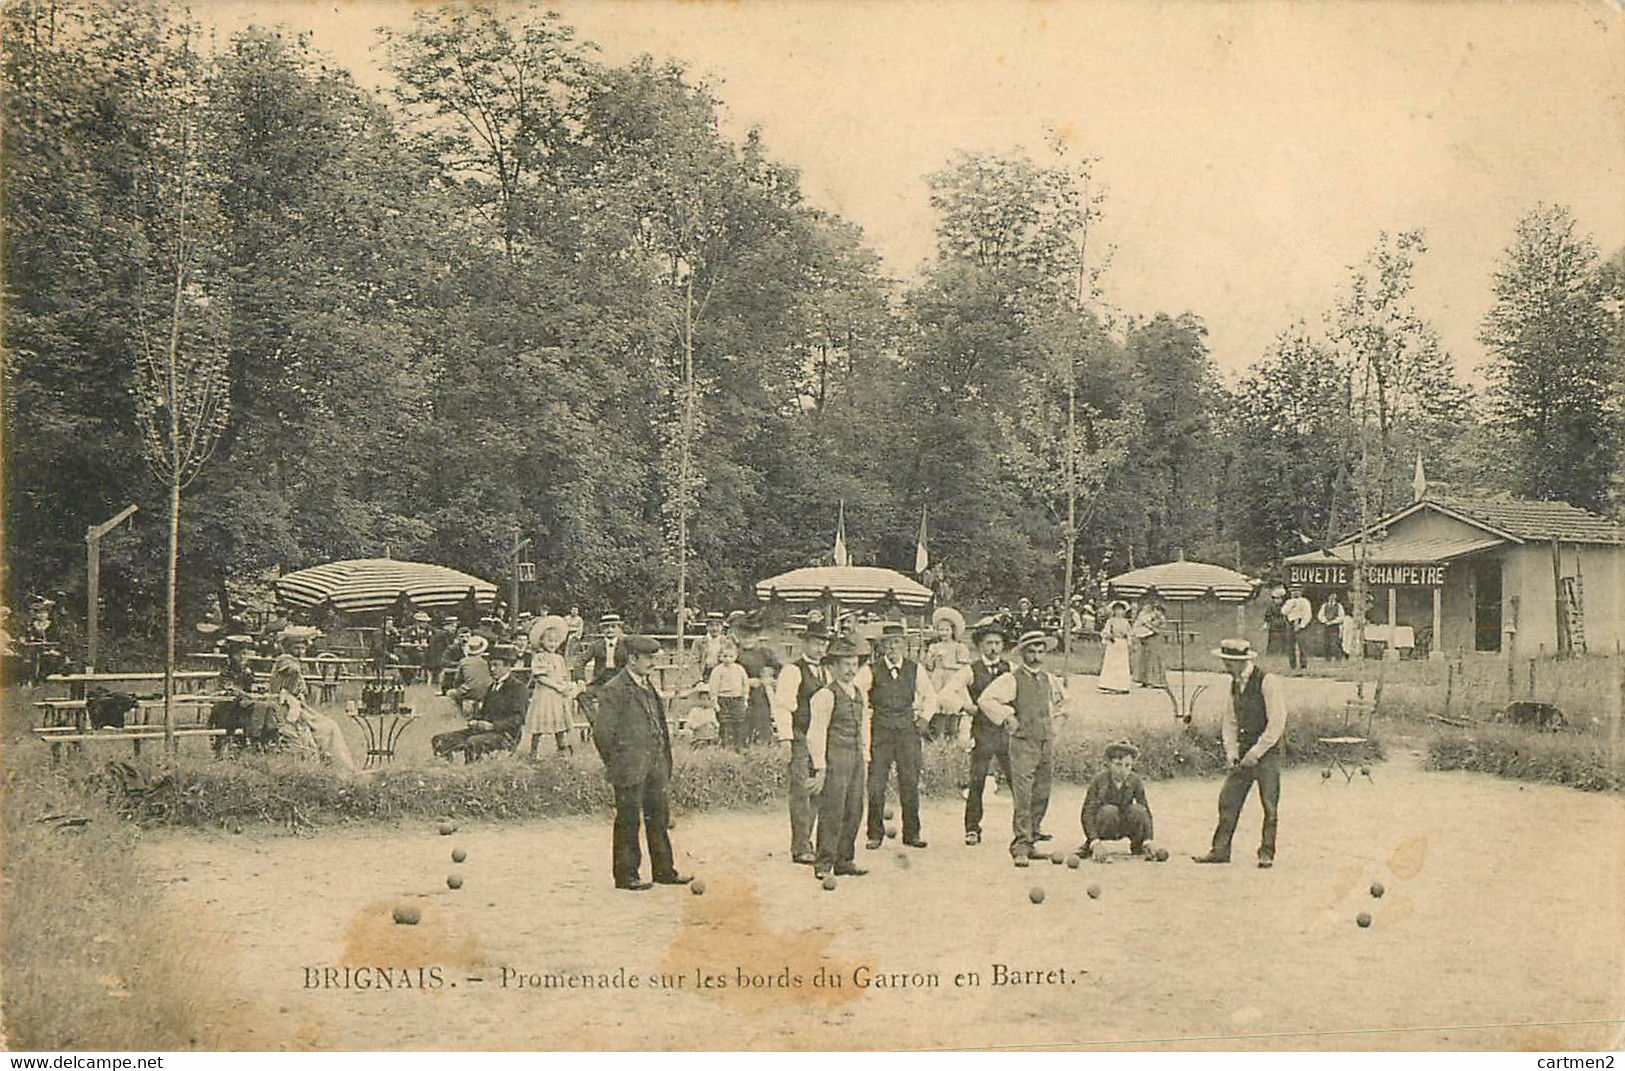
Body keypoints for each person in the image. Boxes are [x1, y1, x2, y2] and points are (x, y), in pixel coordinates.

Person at [590, 635, 690, 891]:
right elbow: (603, 733)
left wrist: (664, 761)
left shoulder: (648, 685)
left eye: (655, 658)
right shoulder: (614, 689)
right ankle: (626, 875)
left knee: (658, 818)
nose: (654, 663)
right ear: (632, 659)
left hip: (655, 766)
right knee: (629, 820)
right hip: (629, 767)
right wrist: (617, 763)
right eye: (649, 658)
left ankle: (664, 871)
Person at [1194, 639, 1288, 868]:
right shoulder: (1233, 683)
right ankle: (1220, 850)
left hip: (1267, 751)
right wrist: (1232, 752)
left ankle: (1266, 852)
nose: (1225, 665)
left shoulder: (1267, 682)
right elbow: (1231, 720)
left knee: (1269, 804)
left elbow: (1277, 722)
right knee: (1228, 799)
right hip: (1244, 749)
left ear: (1240, 661)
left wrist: (1256, 753)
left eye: (1228, 661)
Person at [977, 629, 1067, 867]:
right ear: (1023, 654)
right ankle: (1020, 845)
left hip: (1045, 742)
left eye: (1040, 651)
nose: (1036, 656)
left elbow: (1065, 703)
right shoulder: (1011, 679)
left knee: (1042, 792)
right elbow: (986, 699)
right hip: (1023, 743)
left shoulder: (1050, 679)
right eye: (1031, 652)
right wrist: (1008, 716)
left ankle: (1032, 839)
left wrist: (1056, 724)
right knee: (1024, 795)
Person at [859, 623, 937, 851]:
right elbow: (855, 693)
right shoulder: (870, 670)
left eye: (897, 642)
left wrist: (924, 719)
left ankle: (912, 833)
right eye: (888, 643)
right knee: (876, 784)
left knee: (910, 782)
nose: (892, 647)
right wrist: (865, 717)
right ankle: (874, 834)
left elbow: (931, 696)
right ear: (881, 646)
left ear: (904, 645)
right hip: (880, 732)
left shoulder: (915, 669)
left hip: (906, 732)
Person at [805, 636, 871, 880]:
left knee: (854, 808)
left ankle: (845, 859)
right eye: (845, 664)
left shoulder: (859, 693)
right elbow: (816, 733)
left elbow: (865, 727)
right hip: (835, 758)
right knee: (833, 809)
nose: (850, 669)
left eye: (854, 664)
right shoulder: (825, 695)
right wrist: (820, 767)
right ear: (832, 667)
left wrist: (865, 756)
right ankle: (824, 862)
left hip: (855, 757)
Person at [771, 623, 831, 865]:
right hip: (799, 736)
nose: (820, 648)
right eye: (816, 642)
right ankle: (800, 846)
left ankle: (810, 840)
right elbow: (783, 706)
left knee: (818, 789)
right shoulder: (792, 671)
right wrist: (785, 739)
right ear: (805, 643)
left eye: (824, 643)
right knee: (800, 790)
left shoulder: (827, 672)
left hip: (821, 738)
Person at [956, 618, 1014, 846]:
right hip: (982, 732)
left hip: (1007, 732)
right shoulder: (970, 671)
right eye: (988, 643)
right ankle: (972, 828)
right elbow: (948, 693)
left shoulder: (1011, 669)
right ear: (980, 646)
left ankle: (1027, 828)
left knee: (1016, 779)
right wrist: (965, 705)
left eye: (997, 643)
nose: (993, 648)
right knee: (977, 780)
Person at [266, 629, 358, 771]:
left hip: (298, 706)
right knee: (327, 728)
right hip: (285, 706)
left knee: (330, 726)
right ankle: (338, 766)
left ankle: (342, 766)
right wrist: (294, 668)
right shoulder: (284, 660)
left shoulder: (295, 661)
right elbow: (288, 669)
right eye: (296, 648)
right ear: (289, 648)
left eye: (302, 648)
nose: (300, 651)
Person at [433, 644, 528, 761]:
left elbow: (518, 719)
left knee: (472, 742)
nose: (492, 669)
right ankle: (446, 767)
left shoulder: (517, 688)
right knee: (441, 739)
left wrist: (493, 726)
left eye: (496, 665)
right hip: (484, 731)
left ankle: (472, 770)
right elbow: (483, 712)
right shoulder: (491, 687)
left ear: (508, 667)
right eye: (490, 665)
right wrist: (475, 720)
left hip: (506, 735)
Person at [1080, 741, 1155, 860]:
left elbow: (1146, 810)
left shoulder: (1135, 780)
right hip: (1105, 822)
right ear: (1109, 764)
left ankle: (1139, 845)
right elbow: (1087, 813)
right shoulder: (1099, 780)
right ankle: (1092, 846)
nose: (1123, 770)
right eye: (1118, 765)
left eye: (1128, 766)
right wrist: (1094, 841)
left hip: (1125, 823)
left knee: (1138, 810)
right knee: (1109, 811)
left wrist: (1148, 840)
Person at [519, 616, 579, 758]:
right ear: (541, 641)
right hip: (545, 694)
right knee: (540, 722)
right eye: (549, 640)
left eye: (555, 641)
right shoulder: (539, 657)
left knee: (560, 722)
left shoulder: (559, 658)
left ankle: (561, 748)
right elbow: (540, 677)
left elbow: (564, 675)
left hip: (558, 696)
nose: (553, 644)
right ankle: (533, 752)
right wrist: (555, 686)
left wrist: (566, 685)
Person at [923, 607, 973, 739]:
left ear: (952, 631)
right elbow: (929, 667)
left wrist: (948, 665)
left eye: (946, 630)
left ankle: (952, 732)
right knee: (936, 704)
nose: (943, 633)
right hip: (937, 678)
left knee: (953, 705)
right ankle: (936, 733)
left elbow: (965, 668)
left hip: (953, 679)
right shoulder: (934, 647)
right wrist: (931, 658)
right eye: (940, 630)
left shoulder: (958, 647)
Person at [732, 614, 781, 746]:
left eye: (751, 635)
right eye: (744, 635)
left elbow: (778, 669)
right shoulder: (734, 654)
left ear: (757, 636)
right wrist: (746, 681)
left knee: (762, 718)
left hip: (761, 693)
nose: (748, 639)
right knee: (743, 720)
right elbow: (728, 673)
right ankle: (742, 744)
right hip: (741, 693)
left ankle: (763, 743)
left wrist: (770, 675)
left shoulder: (766, 652)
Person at [706, 640, 750, 750]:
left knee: (739, 722)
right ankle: (724, 745)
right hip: (723, 699)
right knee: (724, 722)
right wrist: (714, 701)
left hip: (737, 698)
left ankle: (739, 745)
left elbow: (745, 683)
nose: (728, 659)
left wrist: (745, 698)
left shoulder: (739, 669)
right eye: (725, 656)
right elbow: (713, 686)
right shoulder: (717, 670)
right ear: (720, 657)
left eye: (731, 656)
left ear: (735, 656)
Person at [447, 633, 494, 711]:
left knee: (451, 693)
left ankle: (459, 713)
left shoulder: (463, 661)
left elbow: (457, 679)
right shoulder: (486, 662)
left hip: (470, 691)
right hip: (487, 690)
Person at [1097, 601, 1133, 693]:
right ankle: (1109, 684)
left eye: (1121, 610)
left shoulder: (1126, 622)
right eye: (1117, 609)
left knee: (1121, 664)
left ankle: (1122, 685)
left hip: (1122, 644)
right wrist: (1109, 636)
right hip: (1113, 643)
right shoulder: (1111, 621)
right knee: (1111, 663)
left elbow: (1130, 633)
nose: (1119, 612)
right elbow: (1105, 631)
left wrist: (1128, 638)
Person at [1132, 600, 1168, 688]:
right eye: (1155, 609)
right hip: (1145, 639)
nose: (1156, 612)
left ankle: (1155, 681)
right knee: (1144, 658)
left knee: (1154, 659)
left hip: (1155, 640)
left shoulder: (1161, 619)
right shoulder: (1146, 616)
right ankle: (1144, 680)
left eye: (1158, 610)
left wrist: (1150, 626)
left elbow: (1159, 631)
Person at [1281, 587, 1313, 670]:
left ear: (1301, 592)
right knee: (1290, 645)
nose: (1295, 593)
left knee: (1302, 645)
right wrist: (1291, 605)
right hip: (1290, 623)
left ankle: (1303, 665)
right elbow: (1284, 612)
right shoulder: (1289, 602)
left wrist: (1302, 625)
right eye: (1293, 591)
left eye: (1297, 591)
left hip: (1300, 622)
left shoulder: (1304, 601)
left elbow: (1308, 614)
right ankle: (1292, 666)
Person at [696, 611, 729, 676]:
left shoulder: (727, 642)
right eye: (711, 625)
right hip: (705, 674)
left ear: (722, 627)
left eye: (717, 625)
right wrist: (699, 680)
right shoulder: (699, 642)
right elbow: (694, 663)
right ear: (706, 627)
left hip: (722, 674)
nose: (714, 628)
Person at [1317, 594, 1348, 660]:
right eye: (1330, 596)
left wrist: (1333, 622)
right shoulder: (1324, 606)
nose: (1332, 598)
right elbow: (1320, 615)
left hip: (1335, 626)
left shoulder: (1339, 606)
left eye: (1333, 597)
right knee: (1326, 642)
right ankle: (1328, 658)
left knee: (1335, 642)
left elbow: (1342, 617)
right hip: (1326, 625)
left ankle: (1338, 657)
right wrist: (1325, 621)